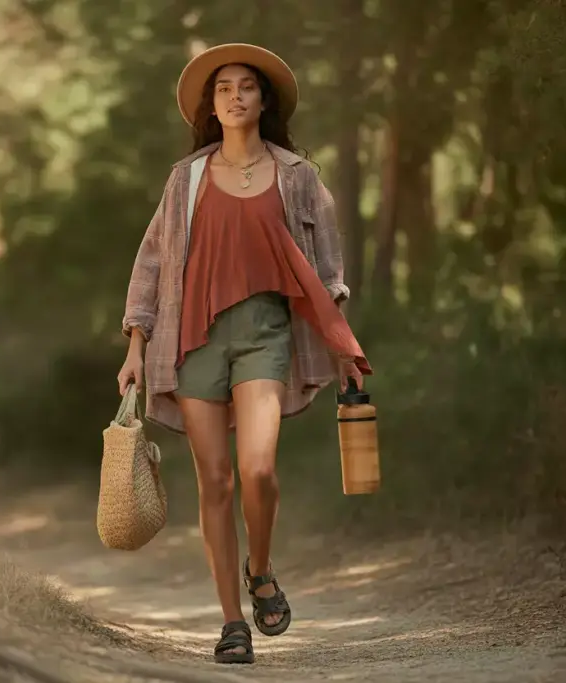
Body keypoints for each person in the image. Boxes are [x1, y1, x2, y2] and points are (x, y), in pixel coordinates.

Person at [117, 43, 372, 665]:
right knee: (216, 480)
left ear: (263, 101)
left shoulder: (298, 177)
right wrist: (135, 344)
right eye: (223, 87)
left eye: (246, 87)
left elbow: (328, 271)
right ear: (211, 106)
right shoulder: (186, 180)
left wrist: (341, 346)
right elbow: (151, 263)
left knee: (257, 469)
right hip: (193, 340)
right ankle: (233, 622)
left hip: (266, 333)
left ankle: (261, 569)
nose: (234, 95)